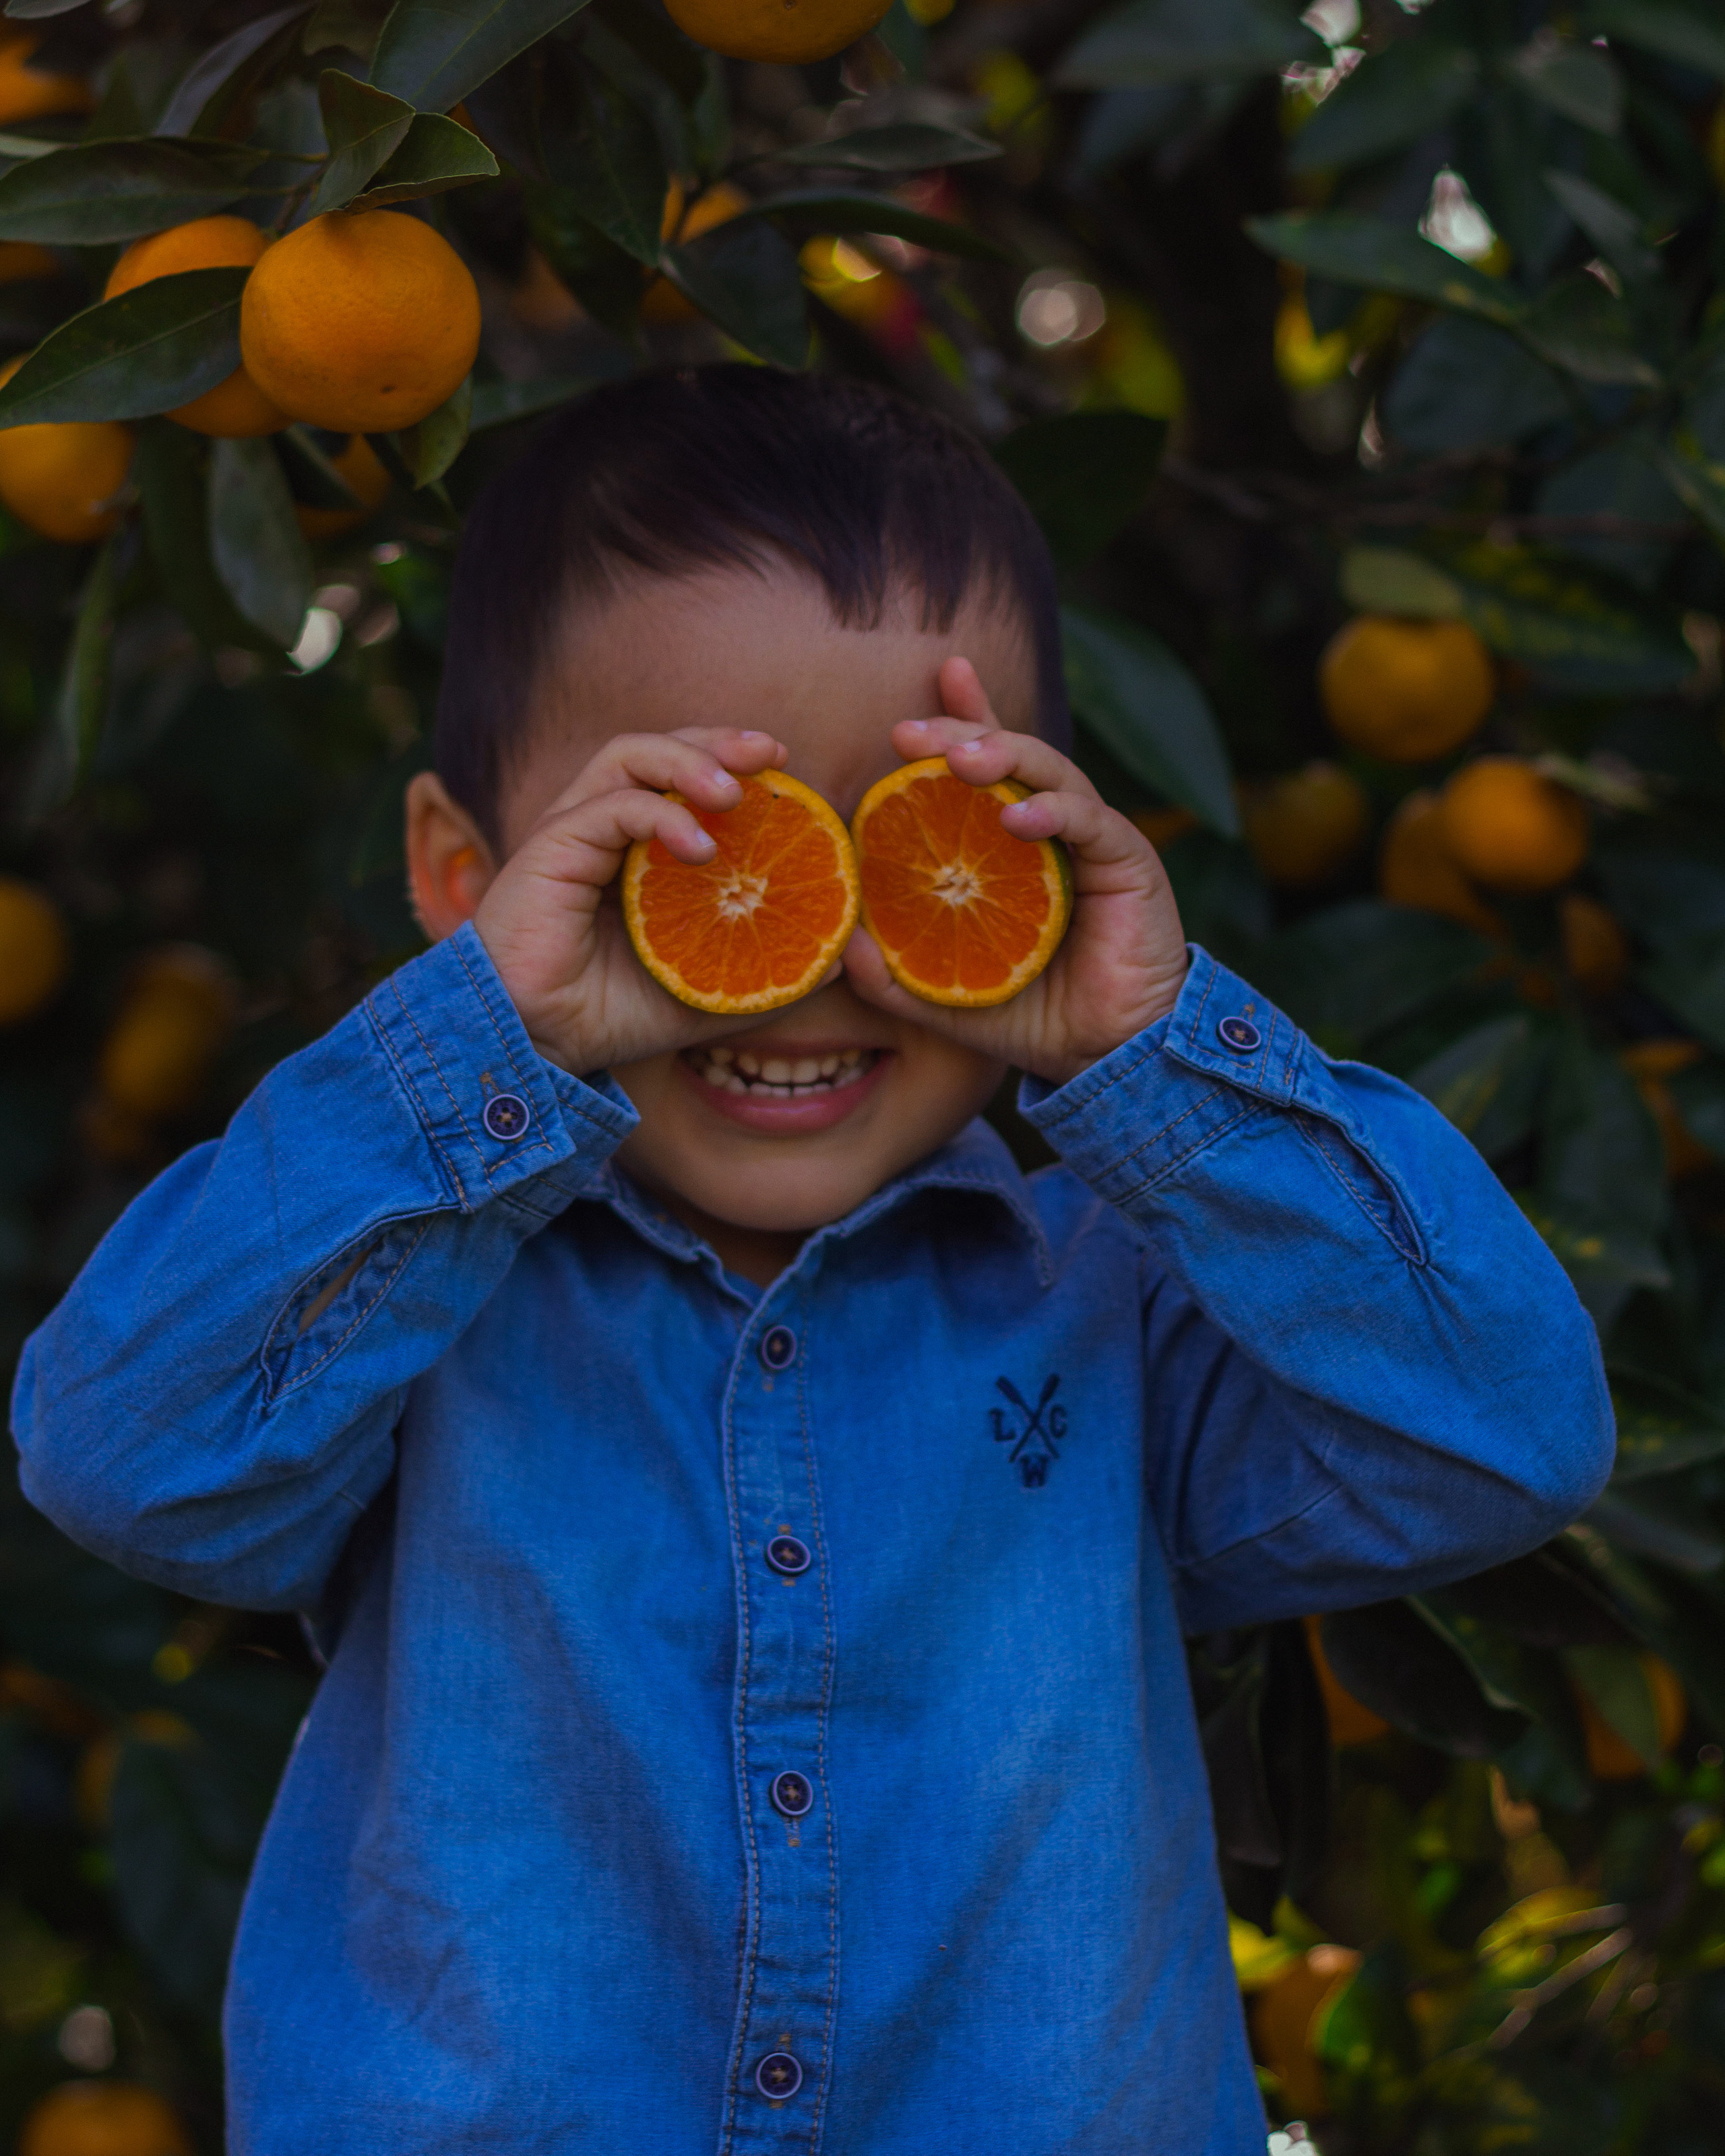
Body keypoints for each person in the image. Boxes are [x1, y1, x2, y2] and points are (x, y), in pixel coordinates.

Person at [11, 366, 1613, 2154]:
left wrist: (1153, 1058)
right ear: (468, 880)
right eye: (698, 843)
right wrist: (481, 1050)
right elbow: (124, 1459)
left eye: (911, 842)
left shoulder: (1112, 1301)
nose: (810, 948)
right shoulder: (411, 1295)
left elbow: (1503, 1433)